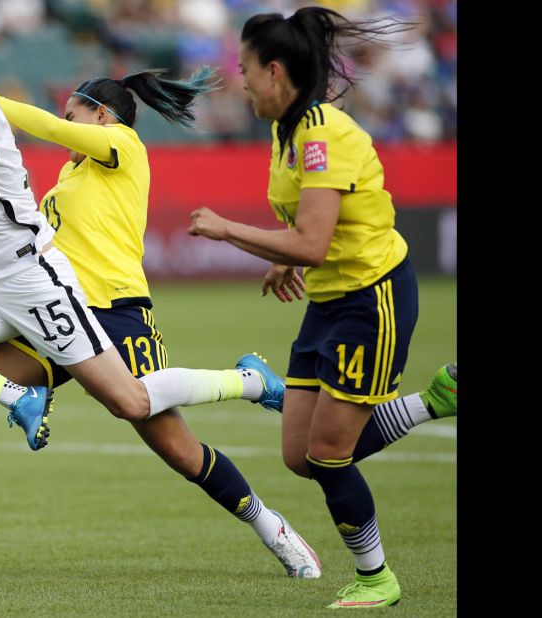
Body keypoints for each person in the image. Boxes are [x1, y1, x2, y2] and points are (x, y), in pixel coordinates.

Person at [0, 63, 325, 577]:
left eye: (74, 114)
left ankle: (264, 474)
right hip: (47, 314)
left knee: (175, 447)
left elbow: (39, 127)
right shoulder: (71, 174)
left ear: (100, 117)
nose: (66, 125)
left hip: (117, 313)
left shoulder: (124, 147)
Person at [186, 6, 455, 609]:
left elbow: (312, 237)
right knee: (298, 455)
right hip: (329, 300)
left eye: (247, 67)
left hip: (371, 298)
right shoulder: (289, 132)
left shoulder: (322, 135)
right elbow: (313, 232)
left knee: (328, 455)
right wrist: (290, 259)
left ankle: (375, 575)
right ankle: (434, 402)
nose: (242, 79)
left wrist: (232, 231)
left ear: (276, 71)